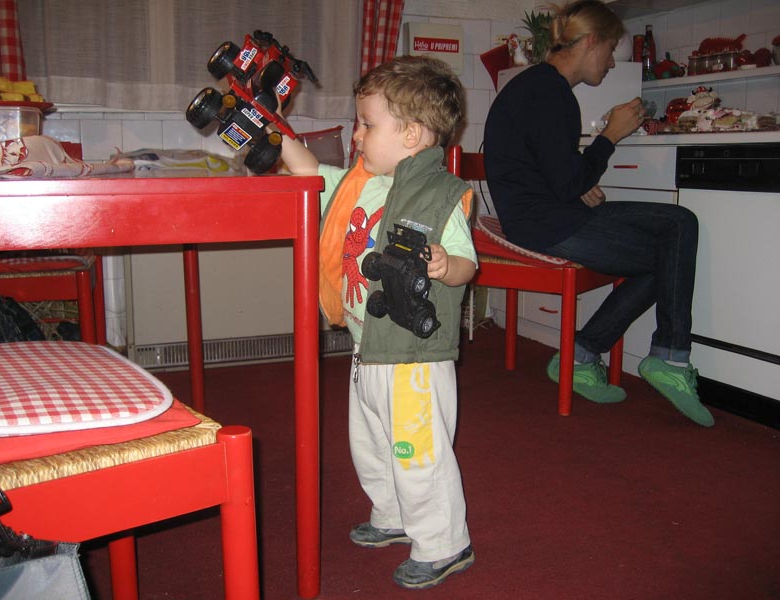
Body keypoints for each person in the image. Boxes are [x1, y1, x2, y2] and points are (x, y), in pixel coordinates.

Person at [278, 55, 477, 588]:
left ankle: (443, 543)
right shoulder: (361, 183)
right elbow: (307, 173)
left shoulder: (441, 194)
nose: (357, 135)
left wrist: (445, 264)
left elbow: (467, 263)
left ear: (411, 134)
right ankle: (392, 516)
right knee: (372, 445)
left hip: (412, 356)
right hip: (367, 347)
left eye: (367, 124)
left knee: (417, 451)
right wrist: (276, 129)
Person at [483, 0, 714, 427]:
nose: (610, 63)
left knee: (674, 236)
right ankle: (661, 358)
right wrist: (610, 136)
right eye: (609, 50)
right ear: (591, 42)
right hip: (545, 224)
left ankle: (590, 355)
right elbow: (566, 180)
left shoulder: (539, 87)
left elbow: (552, 170)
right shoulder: (551, 93)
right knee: (675, 237)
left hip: (542, 215)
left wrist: (578, 181)